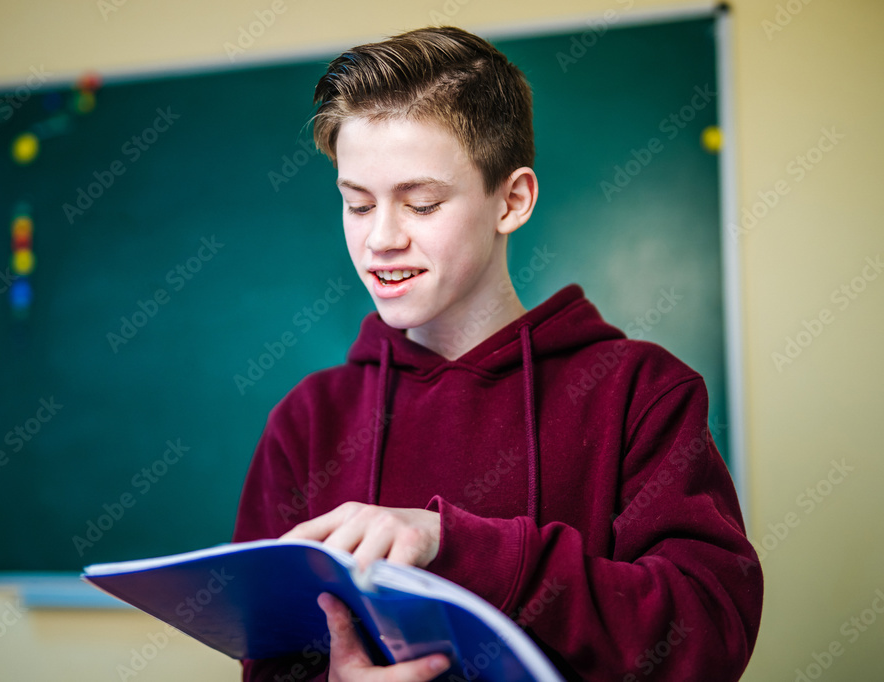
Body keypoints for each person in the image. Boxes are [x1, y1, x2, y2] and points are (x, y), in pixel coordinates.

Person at [232, 25, 762, 682]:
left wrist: (454, 545)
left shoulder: (644, 394)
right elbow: (272, 659)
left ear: (511, 201)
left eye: (421, 204)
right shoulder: (307, 422)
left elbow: (707, 638)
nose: (381, 240)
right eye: (357, 204)